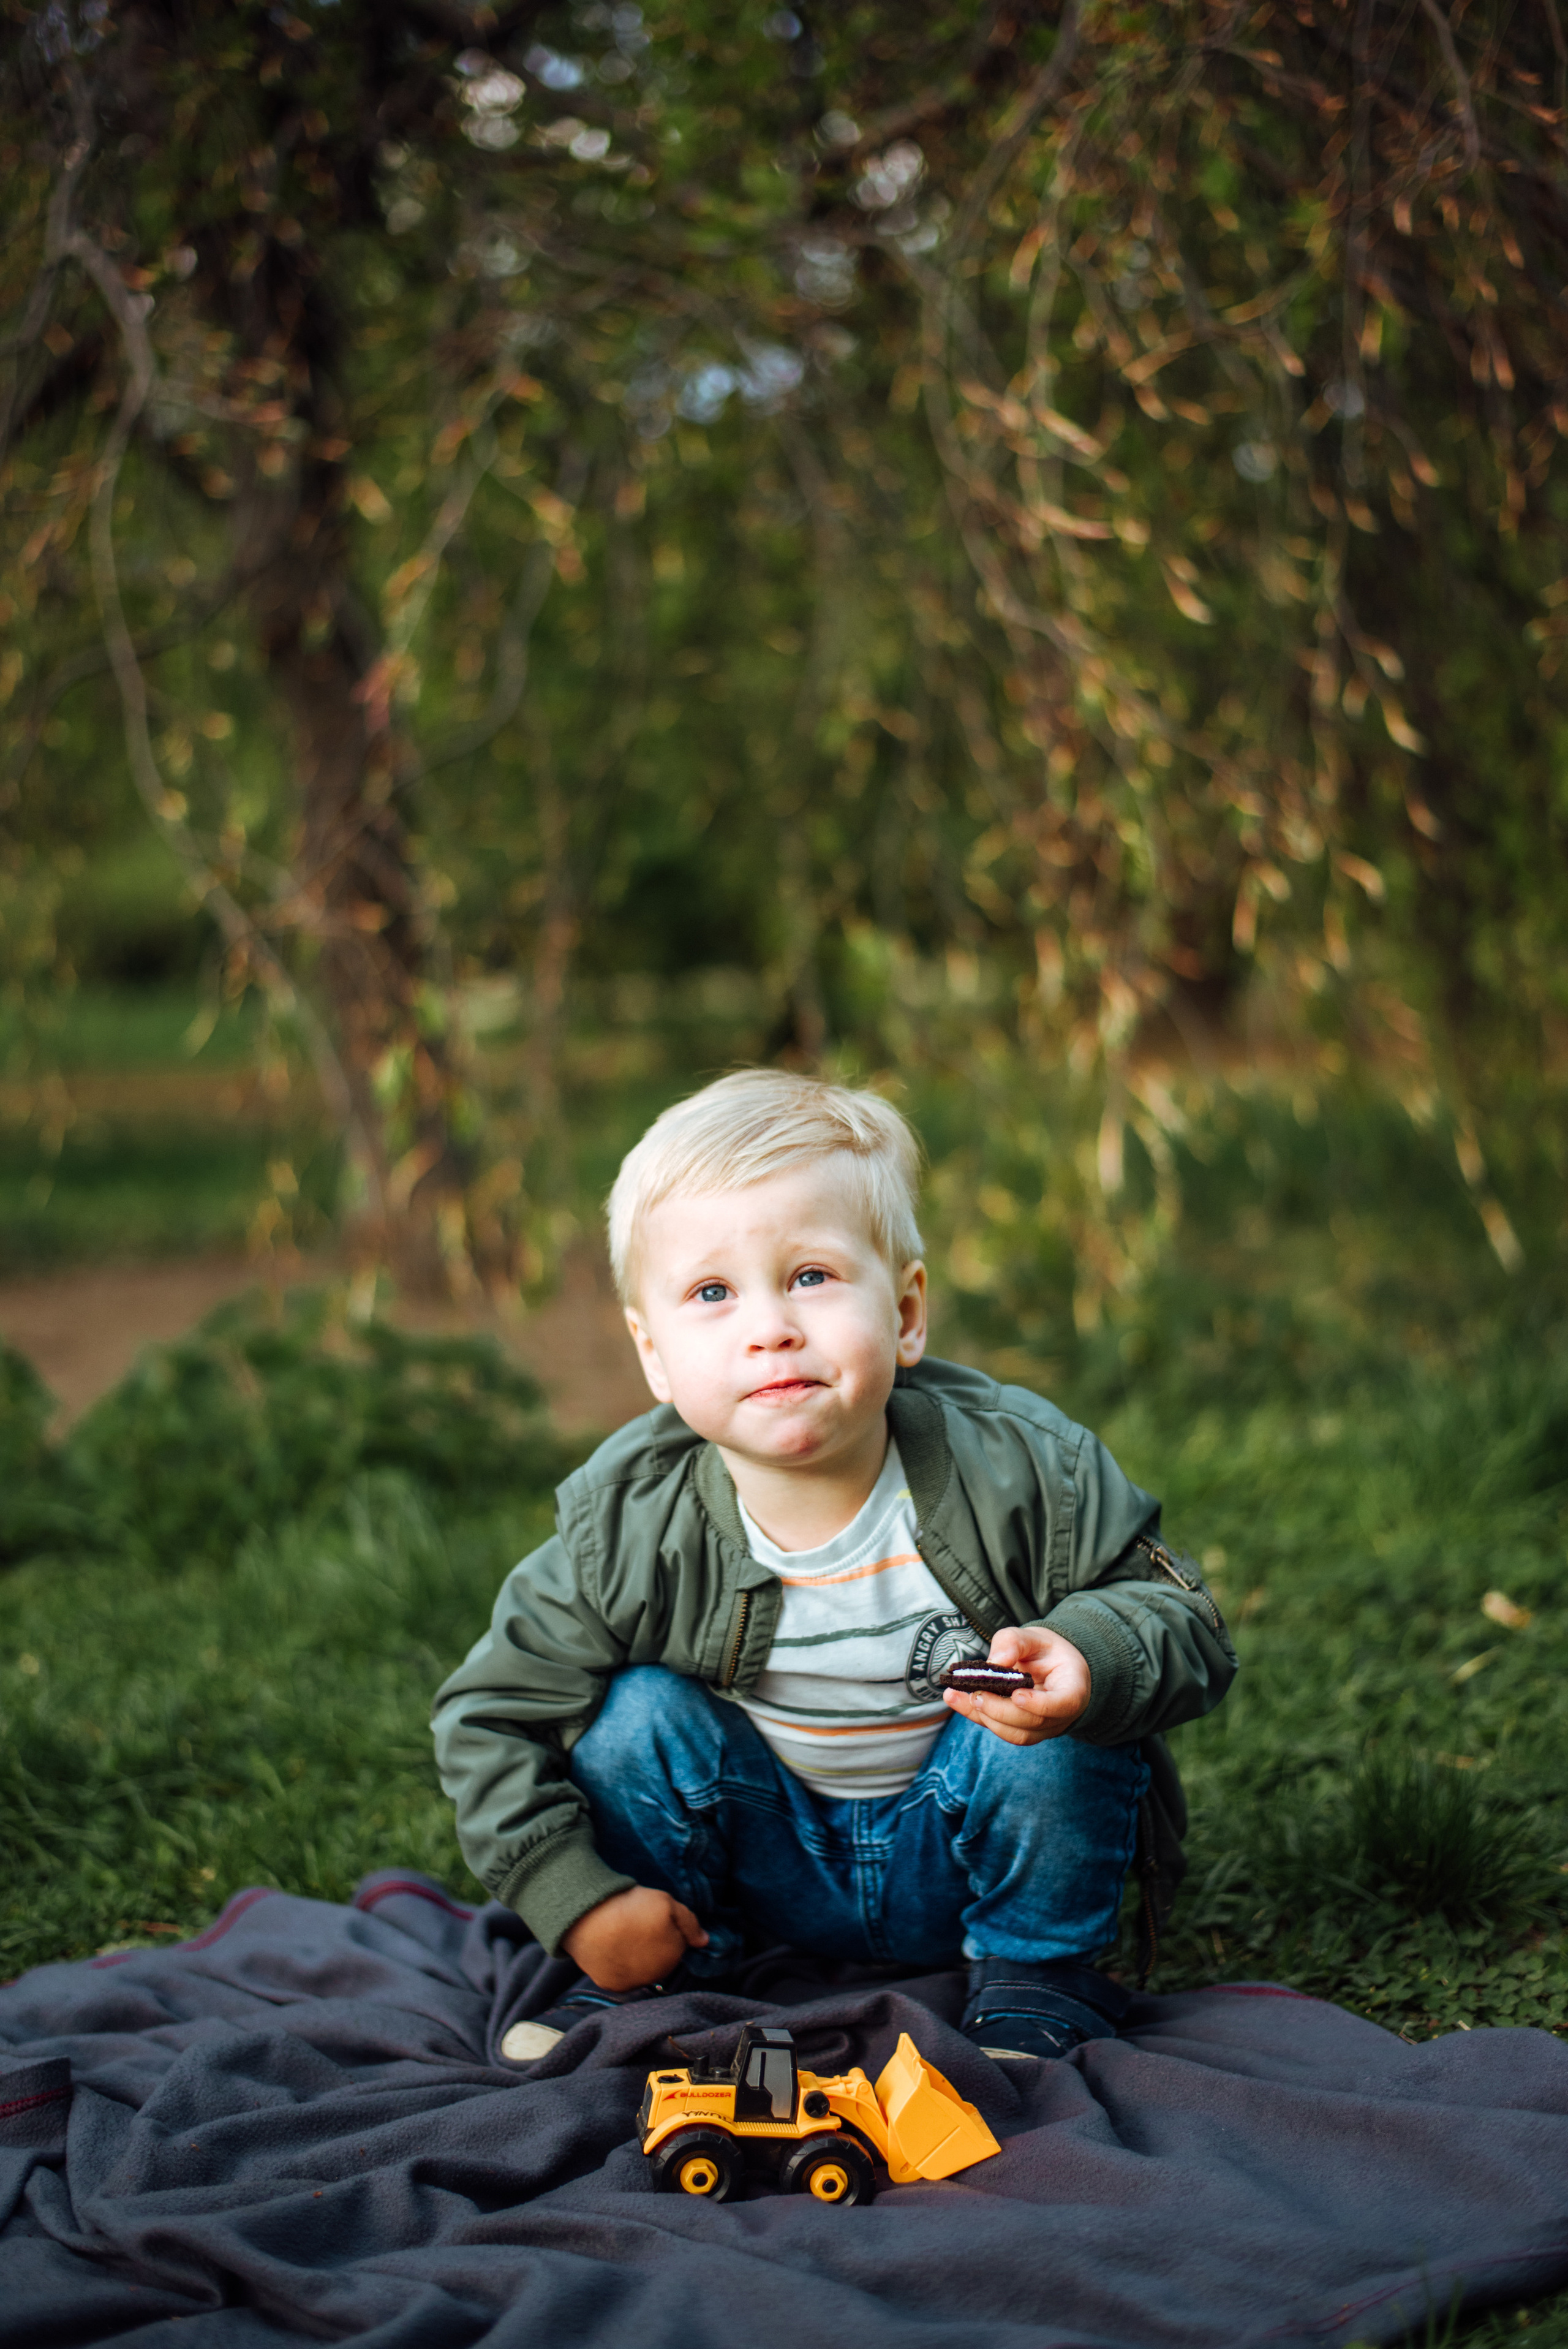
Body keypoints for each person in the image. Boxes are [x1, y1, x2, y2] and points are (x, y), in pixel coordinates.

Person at [432, 1070, 1236, 2064]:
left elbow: (1182, 1617)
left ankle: (1038, 1975)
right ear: (654, 1353)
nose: (769, 1325)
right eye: (713, 1292)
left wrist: (1091, 1658)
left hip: (960, 1839)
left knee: (1071, 1717)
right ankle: (651, 1968)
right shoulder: (626, 1523)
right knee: (634, 1716)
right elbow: (487, 1714)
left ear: (905, 1312)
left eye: (810, 1275)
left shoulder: (1024, 1467)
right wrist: (575, 1896)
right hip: (762, 1860)